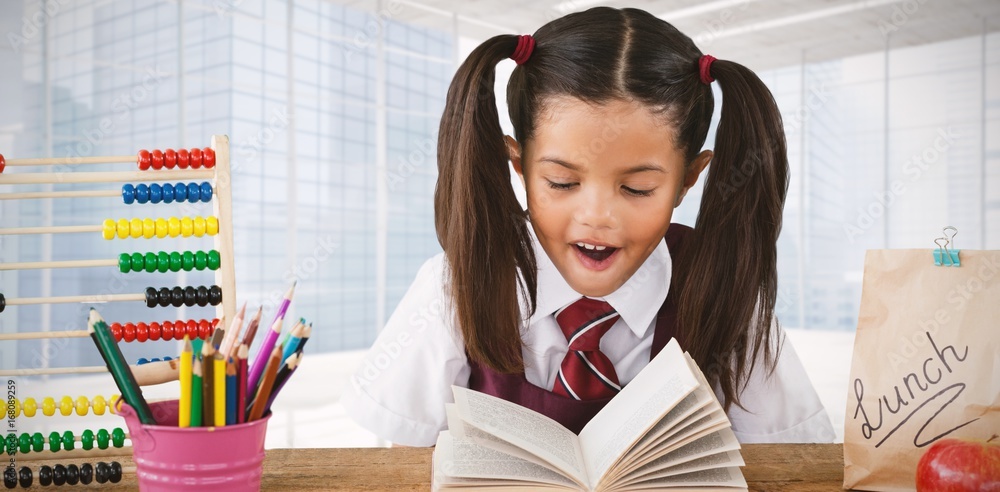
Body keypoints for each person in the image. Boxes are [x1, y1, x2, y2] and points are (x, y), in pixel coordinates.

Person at [341, 6, 835, 446]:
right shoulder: (454, 285)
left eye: (637, 189)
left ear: (688, 180)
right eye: (560, 182)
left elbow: (795, 461)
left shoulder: (727, 293)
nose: (597, 217)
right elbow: (392, 459)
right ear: (520, 165)